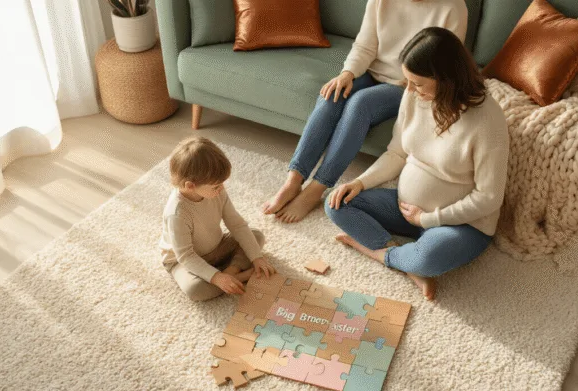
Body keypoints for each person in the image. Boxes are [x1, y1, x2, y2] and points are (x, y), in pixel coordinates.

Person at [325, 27, 510, 301]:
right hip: (406, 210)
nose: (408, 90)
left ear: (446, 79)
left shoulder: (486, 120)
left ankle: (382, 253)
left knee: (428, 259)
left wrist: (429, 219)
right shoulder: (414, 98)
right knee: (337, 203)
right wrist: (359, 182)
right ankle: (401, 258)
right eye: (407, 81)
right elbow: (397, 153)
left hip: (461, 225)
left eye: (418, 84)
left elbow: (488, 198)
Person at [263, 0, 469, 223]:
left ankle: (317, 187)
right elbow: (365, 44)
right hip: (370, 72)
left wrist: (410, 81)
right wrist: (347, 73)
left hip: (406, 85)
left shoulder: (453, 9)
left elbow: (446, 66)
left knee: (360, 103)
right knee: (331, 94)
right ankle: (293, 181)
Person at [159, 137, 276, 301]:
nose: (222, 188)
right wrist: (217, 278)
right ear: (190, 186)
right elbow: (186, 256)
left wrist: (257, 257)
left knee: (256, 236)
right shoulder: (177, 213)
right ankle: (239, 277)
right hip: (182, 260)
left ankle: (232, 272)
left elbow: (237, 225)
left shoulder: (217, 192)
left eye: (222, 183)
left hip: (217, 246)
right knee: (196, 290)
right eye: (216, 186)